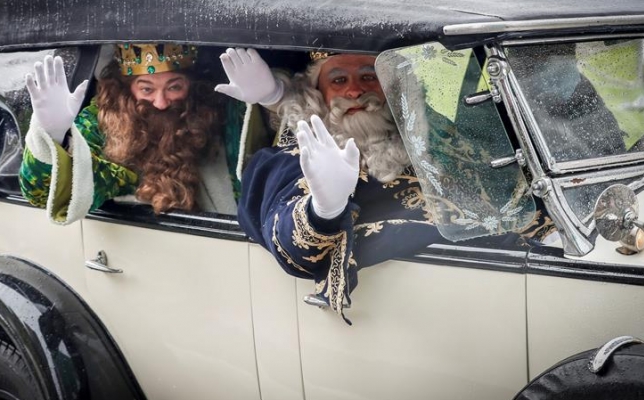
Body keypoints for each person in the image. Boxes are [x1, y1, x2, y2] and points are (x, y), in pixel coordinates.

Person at [216, 48, 553, 322]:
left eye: (368, 76)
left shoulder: (439, 142)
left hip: (504, 289)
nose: (354, 91)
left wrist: (549, 232)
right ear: (317, 93)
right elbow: (293, 253)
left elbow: (509, 195)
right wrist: (324, 207)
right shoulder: (291, 160)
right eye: (338, 79)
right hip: (405, 312)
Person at [19, 43, 239, 224]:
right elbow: (44, 193)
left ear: (190, 86)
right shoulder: (102, 122)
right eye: (147, 89)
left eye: (174, 87)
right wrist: (54, 137)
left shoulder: (214, 113)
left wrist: (273, 98)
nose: (161, 103)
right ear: (126, 87)